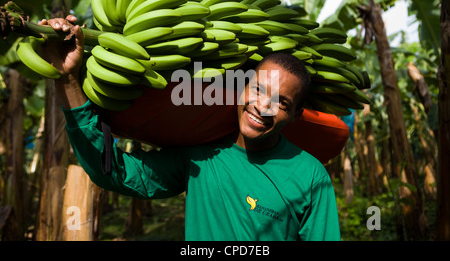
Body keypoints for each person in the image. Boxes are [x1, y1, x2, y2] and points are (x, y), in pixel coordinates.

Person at [39, 15, 341, 241]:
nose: (262, 107)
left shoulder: (310, 176)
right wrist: (67, 79)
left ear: (297, 113)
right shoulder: (201, 155)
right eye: (258, 90)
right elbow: (113, 172)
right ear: (241, 86)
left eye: (281, 103)